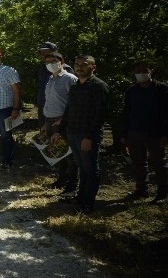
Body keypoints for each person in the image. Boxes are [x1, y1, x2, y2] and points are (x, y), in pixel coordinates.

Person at [52, 55, 109, 215]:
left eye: (84, 65)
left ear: (93, 67)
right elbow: (68, 110)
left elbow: (100, 115)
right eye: (77, 64)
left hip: (87, 135)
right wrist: (59, 130)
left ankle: (88, 203)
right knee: (82, 168)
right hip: (72, 133)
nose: (79, 67)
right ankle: (80, 197)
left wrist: (89, 137)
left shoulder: (99, 86)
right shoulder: (76, 86)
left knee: (91, 169)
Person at [120, 60, 168, 202]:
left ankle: (162, 193)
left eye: (144, 71)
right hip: (134, 132)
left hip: (155, 133)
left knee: (159, 162)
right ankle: (141, 190)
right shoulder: (131, 91)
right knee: (139, 162)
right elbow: (126, 112)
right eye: (137, 71)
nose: (141, 74)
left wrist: (167, 133)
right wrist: (124, 134)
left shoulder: (162, 88)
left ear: (151, 71)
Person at [42, 52, 79, 196]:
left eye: (54, 61)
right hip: (50, 119)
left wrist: (63, 120)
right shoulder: (50, 79)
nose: (51, 64)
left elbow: (74, 102)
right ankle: (61, 180)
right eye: (48, 62)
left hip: (63, 121)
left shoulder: (70, 79)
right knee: (58, 153)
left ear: (62, 62)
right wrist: (46, 123)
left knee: (69, 155)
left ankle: (72, 185)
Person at [37, 42, 73, 127]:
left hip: (60, 115)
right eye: (41, 52)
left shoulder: (67, 70)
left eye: (46, 52)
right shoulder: (43, 69)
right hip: (45, 111)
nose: (43, 54)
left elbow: (73, 98)